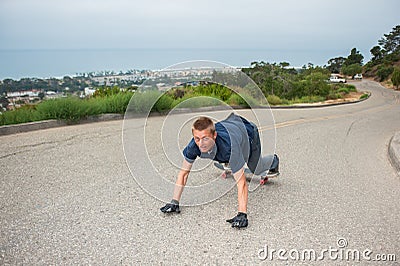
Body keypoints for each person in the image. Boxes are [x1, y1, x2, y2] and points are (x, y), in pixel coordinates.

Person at [160, 112, 279, 228]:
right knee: (224, 153)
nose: (201, 144)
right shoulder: (194, 146)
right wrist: (174, 201)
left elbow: (241, 183)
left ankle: (273, 160)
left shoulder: (230, 146)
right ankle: (229, 160)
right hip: (231, 127)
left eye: (205, 138)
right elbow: (184, 173)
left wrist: (242, 213)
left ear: (214, 135)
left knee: (256, 169)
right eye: (197, 138)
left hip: (248, 132)